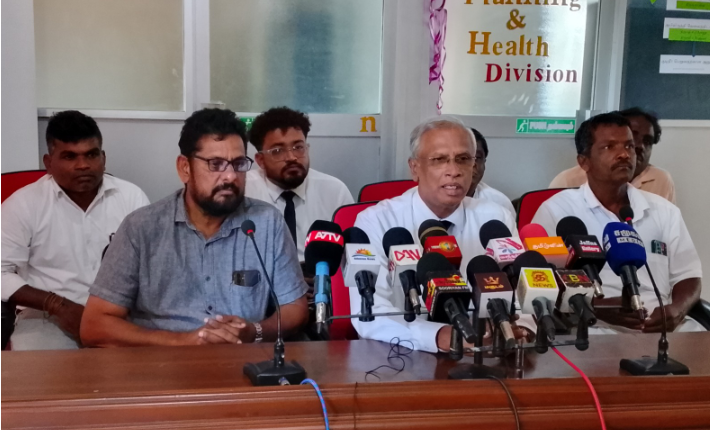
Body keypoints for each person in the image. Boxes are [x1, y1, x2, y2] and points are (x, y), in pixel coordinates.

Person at [80, 108, 309, 347]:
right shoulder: (141, 228)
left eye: (238, 164)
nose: (230, 177)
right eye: (216, 164)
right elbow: (95, 325)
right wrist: (184, 341)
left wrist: (255, 332)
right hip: (163, 362)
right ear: (185, 168)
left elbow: (295, 309)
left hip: (243, 359)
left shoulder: (266, 222)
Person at [351, 117, 519, 353]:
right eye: (439, 160)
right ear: (414, 168)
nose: (454, 171)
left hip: (485, 351)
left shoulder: (496, 218)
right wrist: (438, 335)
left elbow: (519, 295)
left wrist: (522, 324)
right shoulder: (377, 221)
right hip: (403, 355)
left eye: (463, 159)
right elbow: (368, 312)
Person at [532, 113, 702, 334]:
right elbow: (540, 282)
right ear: (584, 162)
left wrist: (677, 310)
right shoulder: (556, 211)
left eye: (629, 146)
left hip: (660, 325)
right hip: (593, 324)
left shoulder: (664, 211)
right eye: (609, 147)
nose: (624, 154)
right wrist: (596, 307)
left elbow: (688, 275)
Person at [0, 110, 149, 350]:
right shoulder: (22, 205)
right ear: (48, 163)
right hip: (46, 316)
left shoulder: (131, 197)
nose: (83, 165)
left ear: (103, 157)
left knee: (149, 367)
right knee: (38, 371)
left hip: (120, 313)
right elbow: (1, 273)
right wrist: (57, 305)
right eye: (69, 157)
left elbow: (152, 263)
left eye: (91, 154)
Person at [245, 107, 354, 262]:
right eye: (278, 151)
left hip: (319, 274)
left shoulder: (335, 191)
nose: (291, 157)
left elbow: (351, 256)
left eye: (298, 147)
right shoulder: (245, 191)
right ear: (260, 160)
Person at [549, 107, 676, 204]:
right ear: (584, 161)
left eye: (647, 141)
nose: (639, 146)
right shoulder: (567, 181)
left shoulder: (661, 181)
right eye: (632, 138)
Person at [466, 128, 516, 216]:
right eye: (463, 158)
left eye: (477, 157)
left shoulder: (500, 203)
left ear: (484, 162)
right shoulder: (438, 203)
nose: (473, 164)